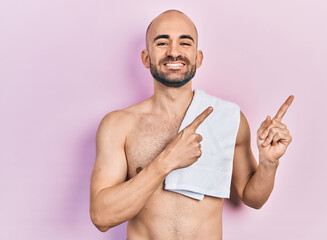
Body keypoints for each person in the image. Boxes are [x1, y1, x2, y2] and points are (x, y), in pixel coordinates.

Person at [90, 9, 293, 239]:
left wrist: (268, 163)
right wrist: (166, 161)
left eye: (184, 43)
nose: (174, 52)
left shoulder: (228, 118)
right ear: (146, 58)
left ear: (198, 58)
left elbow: (252, 198)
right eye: (162, 42)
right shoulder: (118, 125)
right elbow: (101, 217)